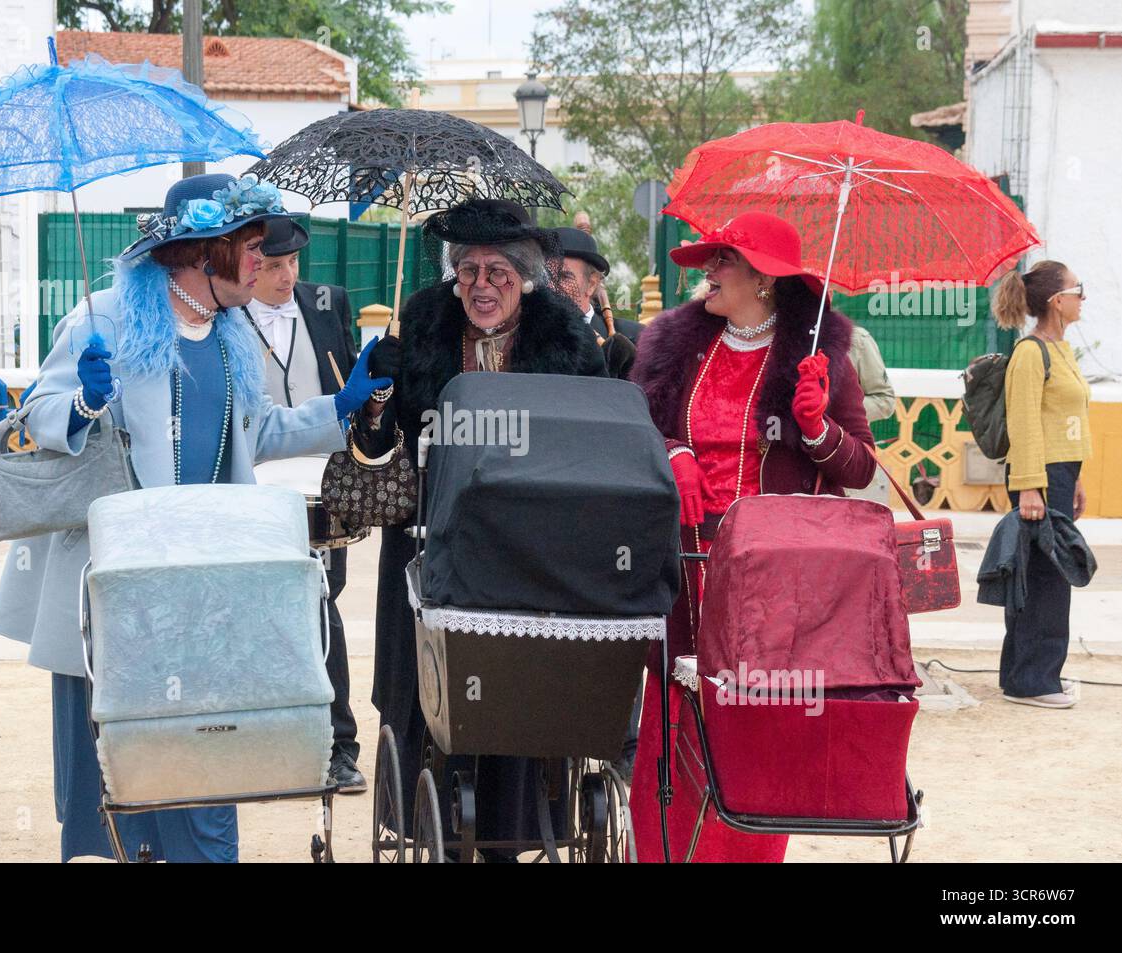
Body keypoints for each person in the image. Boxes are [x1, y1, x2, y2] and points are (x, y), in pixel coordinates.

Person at [0, 173, 389, 862]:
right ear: (205, 251)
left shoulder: (231, 332)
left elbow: (256, 434)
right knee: (108, 785)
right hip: (112, 592)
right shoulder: (104, 317)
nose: (263, 262)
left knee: (204, 772)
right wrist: (84, 401)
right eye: (254, 246)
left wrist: (340, 409)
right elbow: (40, 417)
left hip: (200, 597)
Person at [358, 199, 606, 860]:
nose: (482, 285)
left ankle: (507, 831)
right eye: (467, 269)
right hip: (428, 545)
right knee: (433, 702)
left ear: (524, 275)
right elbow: (378, 451)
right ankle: (433, 829)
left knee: (509, 700)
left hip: (524, 555)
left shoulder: (563, 342)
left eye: (498, 270)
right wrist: (379, 398)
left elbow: (594, 444)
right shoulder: (422, 329)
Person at [628, 211, 877, 862]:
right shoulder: (674, 345)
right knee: (673, 723)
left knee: (758, 728)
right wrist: (673, 453)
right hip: (681, 565)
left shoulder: (820, 357)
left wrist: (817, 426)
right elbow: (636, 427)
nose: (707, 273)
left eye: (723, 262)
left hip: (774, 581)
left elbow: (860, 467)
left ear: (764, 279)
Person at [240, 215, 366, 792]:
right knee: (260, 608)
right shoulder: (225, 314)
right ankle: (269, 739)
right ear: (248, 267)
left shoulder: (327, 302)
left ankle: (340, 745)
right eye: (272, 266)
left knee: (324, 602)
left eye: (293, 263)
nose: (287, 276)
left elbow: (346, 384)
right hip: (254, 483)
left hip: (323, 482)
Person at [991, 260, 1092, 709]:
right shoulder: (1032, 353)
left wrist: (1077, 479)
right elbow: (1025, 422)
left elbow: (1065, 420)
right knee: (1047, 578)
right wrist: (1031, 486)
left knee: (1046, 575)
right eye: (1078, 289)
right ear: (1057, 300)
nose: (1082, 297)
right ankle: (1033, 681)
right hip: (1041, 476)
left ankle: (1028, 675)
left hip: (1060, 474)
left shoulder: (1061, 351)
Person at [551, 226, 637, 380]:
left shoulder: (636, 339)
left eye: (563, 277)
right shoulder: (519, 341)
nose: (550, 286)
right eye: (545, 277)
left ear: (591, 284)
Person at [844, 322, 897, 503]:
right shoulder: (777, 336)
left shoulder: (855, 339)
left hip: (845, 456)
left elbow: (885, 399)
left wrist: (840, 409)